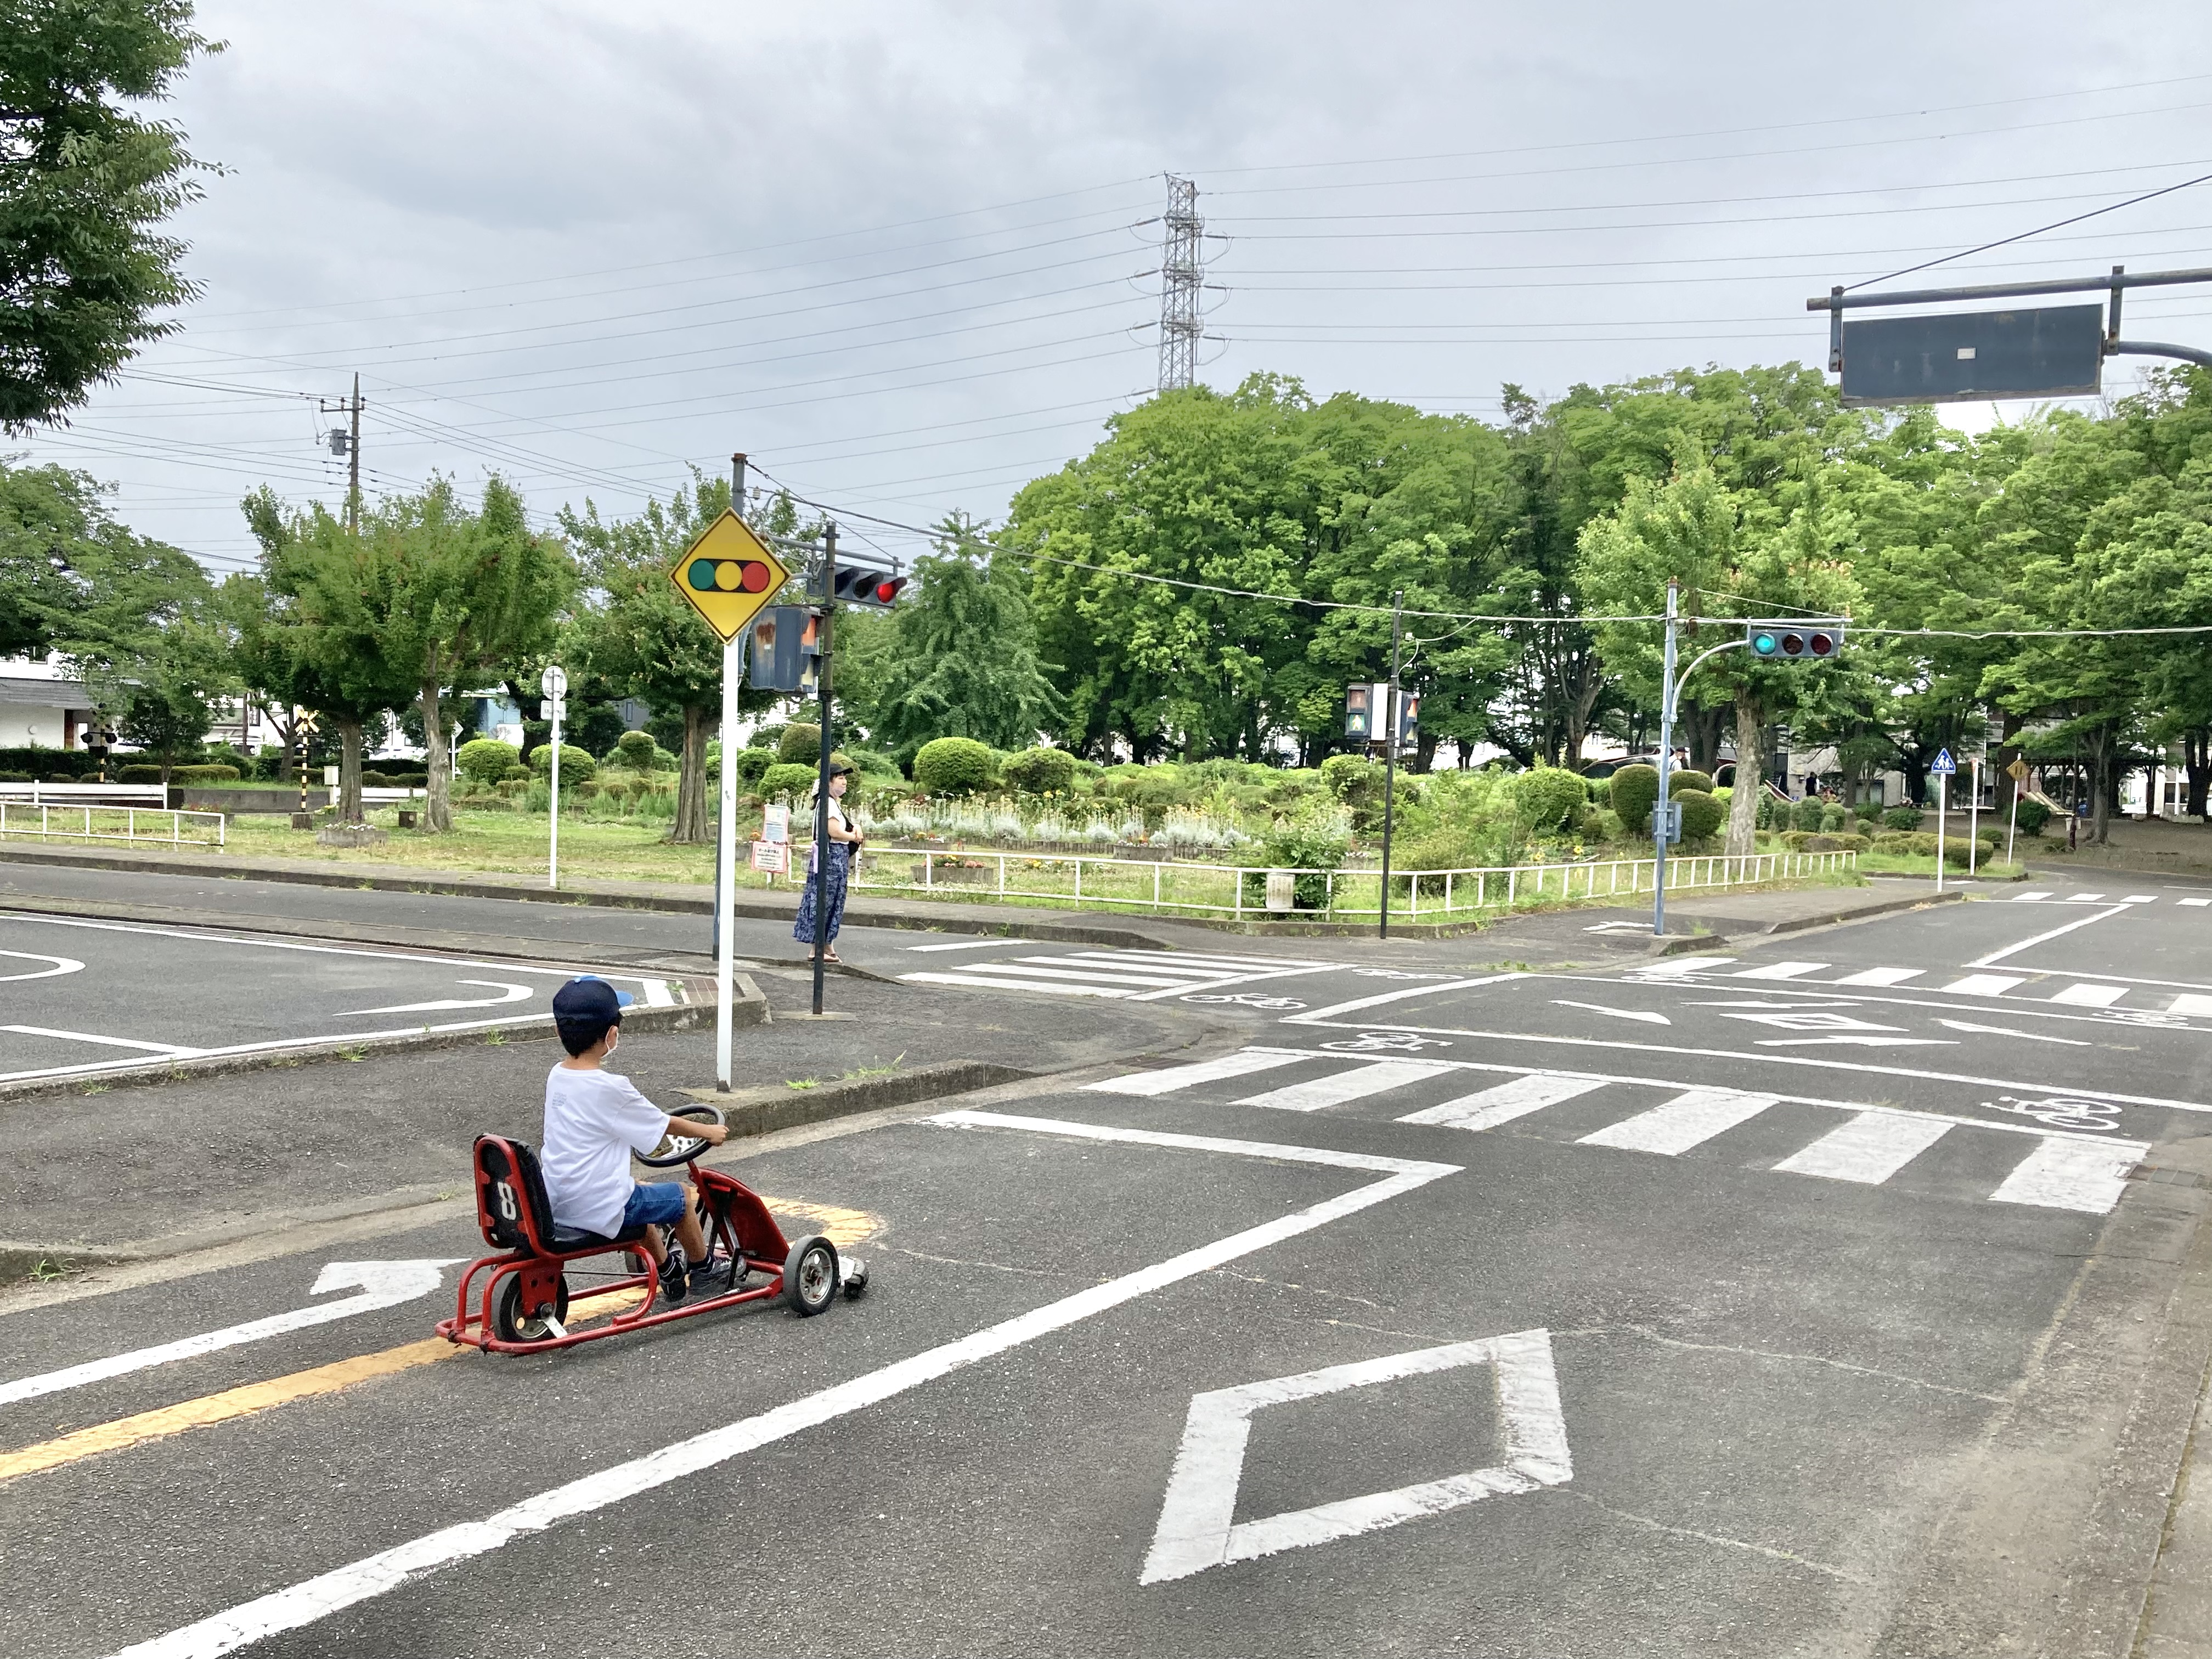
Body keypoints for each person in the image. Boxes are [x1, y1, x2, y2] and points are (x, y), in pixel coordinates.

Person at [540, 976, 733, 1305]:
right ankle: (704, 1269)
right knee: (681, 1198)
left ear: (559, 1032)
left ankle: (669, 1270)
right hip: (598, 1206)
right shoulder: (612, 1088)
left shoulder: (558, 1075)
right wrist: (708, 1132)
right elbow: (661, 1125)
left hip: (557, 1199)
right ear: (612, 1036)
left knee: (640, 1197)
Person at [793, 760, 865, 964]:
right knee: (825, 900)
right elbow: (833, 831)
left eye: (845, 778)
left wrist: (855, 828)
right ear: (829, 782)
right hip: (832, 857)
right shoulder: (828, 803)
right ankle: (818, 948)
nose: (845, 782)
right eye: (840, 778)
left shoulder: (830, 803)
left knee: (832, 900)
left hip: (835, 857)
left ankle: (827, 946)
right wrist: (854, 837)